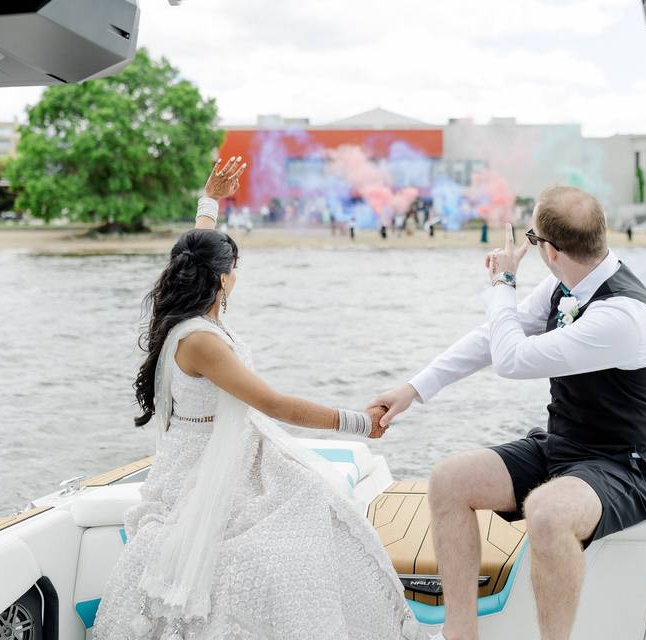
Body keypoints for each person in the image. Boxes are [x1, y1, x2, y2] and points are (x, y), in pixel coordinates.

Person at [93, 157, 424, 640]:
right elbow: (275, 405)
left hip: (228, 445)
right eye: (234, 269)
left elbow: (197, 244)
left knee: (315, 493)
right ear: (223, 278)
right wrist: (360, 423)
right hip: (208, 462)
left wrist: (211, 201)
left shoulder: (182, 311)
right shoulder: (201, 340)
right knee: (309, 506)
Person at [370, 186, 646, 640]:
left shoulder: (623, 316)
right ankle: (459, 634)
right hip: (564, 448)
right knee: (449, 480)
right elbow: (494, 339)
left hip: (624, 465)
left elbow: (512, 361)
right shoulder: (563, 285)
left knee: (546, 513)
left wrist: (502, 285)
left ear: (547, 250)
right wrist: (415, 388)